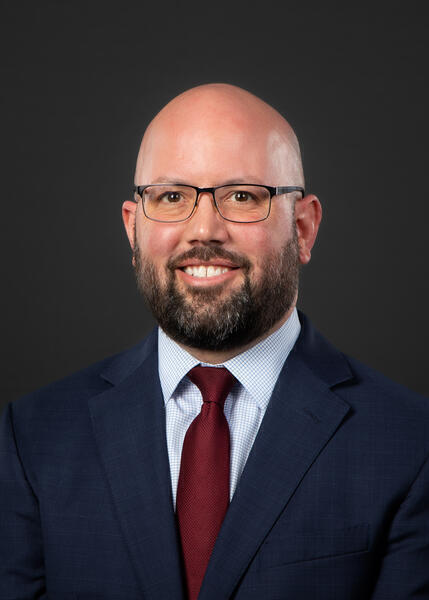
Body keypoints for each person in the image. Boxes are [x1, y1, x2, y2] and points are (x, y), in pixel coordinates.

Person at [1, 83, 428, 600]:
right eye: (171, 197)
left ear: (304, 227)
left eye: (242, 196)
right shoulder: (32, 439)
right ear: (133, 230)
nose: (204, 230)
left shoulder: (411, 446)